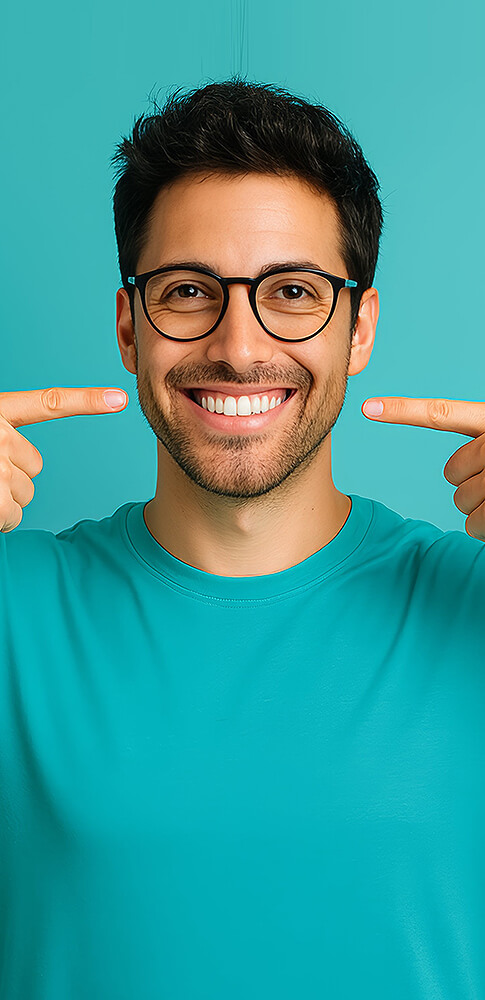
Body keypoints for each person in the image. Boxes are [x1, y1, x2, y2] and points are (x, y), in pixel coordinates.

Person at [1, 77, 484, 1000]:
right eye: (188, 291)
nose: (238, 343)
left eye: (293, 291)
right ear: (126, 326)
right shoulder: (15, 611)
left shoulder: (471, 606)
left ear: (358, 328)